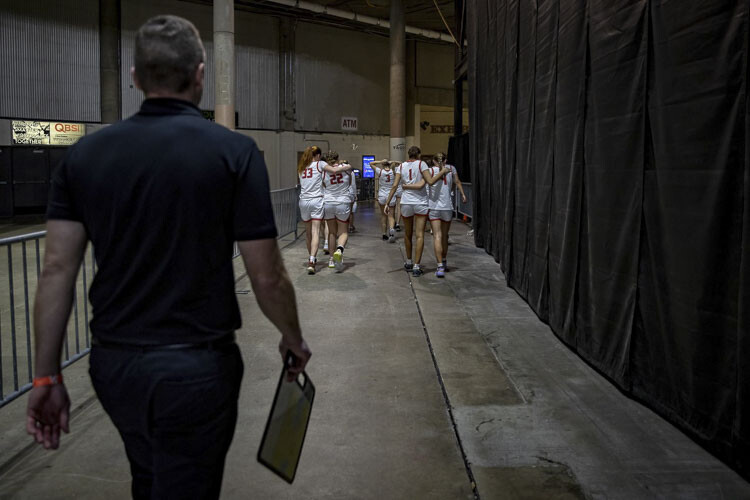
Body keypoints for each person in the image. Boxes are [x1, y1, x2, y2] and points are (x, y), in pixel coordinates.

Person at [25, 15, 311, 500]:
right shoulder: (235, 153)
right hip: (198, 367)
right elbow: (267, 275)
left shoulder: (84, 157)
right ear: (200, 75)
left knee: (149, 475)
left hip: (115, 365)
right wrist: (292, 336)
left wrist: (46, 374)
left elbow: (56, 270)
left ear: (135, 77)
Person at [298, 146, 352, 274]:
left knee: (313, 232)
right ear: (317, 156)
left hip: (308, 201)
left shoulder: (301, 168)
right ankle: (335, 252)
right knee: (321, 231)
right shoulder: (320, 165)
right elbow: (335, 171)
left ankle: (316, 259)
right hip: (322, 200)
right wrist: (346, 166)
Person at [384, 146, 434, 276]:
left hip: (406, 201)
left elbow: (395, 185)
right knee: (419, 235)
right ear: (418, 155)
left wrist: (388, 202)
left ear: (408, 154)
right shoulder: (422, 164)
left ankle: (408, 261)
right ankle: (417, 266)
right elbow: (429, 181)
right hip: (420, 202)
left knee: (407, 233)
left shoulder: (401, 166)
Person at [403, 152, 454, 277]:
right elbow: (451, 188)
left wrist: (405, 186)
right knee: (445, 237)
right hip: (447, 206)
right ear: (445, 160)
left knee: (437, 236)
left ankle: (439, 266)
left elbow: (422, 185)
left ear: (433, 161)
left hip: (433, 206)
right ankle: (444, 261)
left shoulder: (429, 171)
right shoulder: (450, 172)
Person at [323, 150, 353, 272]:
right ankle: (339, 249)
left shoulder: (324, 171)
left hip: (328, 202)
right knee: (343, 232)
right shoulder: (346, 168)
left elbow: (323, 185)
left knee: (331, 232)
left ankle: (331, 259)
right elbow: (350, 183)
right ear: (338, 157)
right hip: (343, 201)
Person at [370, 159, 400, 242]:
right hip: (391, 195)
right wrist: (393, 162)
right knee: (391, 215)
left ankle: (384, 234)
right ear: (389, 165)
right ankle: (391, 230)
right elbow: (401, 163)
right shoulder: (394, 171)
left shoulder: (380, 171)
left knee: (383, 215)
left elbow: (371, 163)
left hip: (382, 195)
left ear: (383, 165)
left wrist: (380, 161)